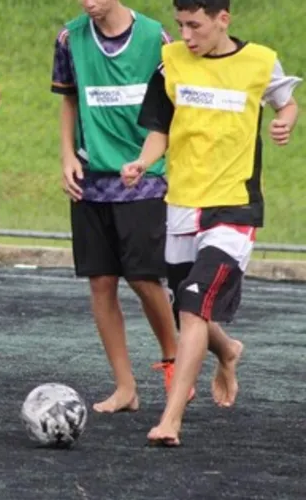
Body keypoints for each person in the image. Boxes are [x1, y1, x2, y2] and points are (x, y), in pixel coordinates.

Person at [123, 0, 299, 446]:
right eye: (180, 25)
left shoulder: (261, 61)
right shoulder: (171, 63)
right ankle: (227, 349)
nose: (186, 35)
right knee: (187, 307)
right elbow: (160, 129)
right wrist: (142, 162)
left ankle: (171, 420)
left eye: (195, 25)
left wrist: (285, 121)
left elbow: (287, 103)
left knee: (194, 302)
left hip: (235, 207)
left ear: (223, 20)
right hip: (183, 204)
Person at [52, 0, 190, 413]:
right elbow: (69, 100)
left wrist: (150, 161)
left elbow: (172, 107)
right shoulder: (69, 38)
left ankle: (174, 361)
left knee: (145, 277)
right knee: (100, 282)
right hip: (91, 180)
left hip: (143, 179)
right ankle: (125, 386)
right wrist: (67, 155)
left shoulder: (155, 38)